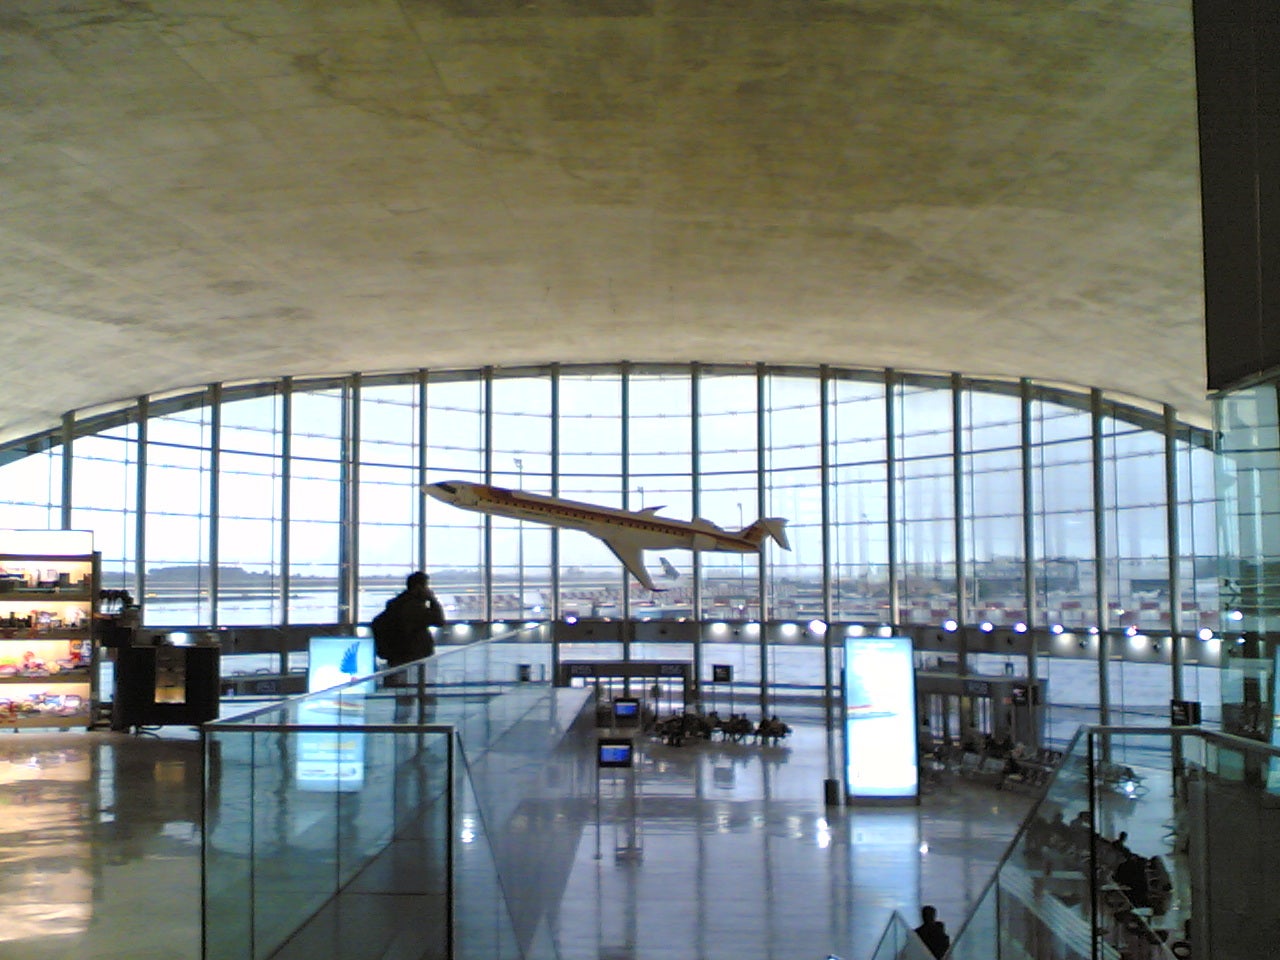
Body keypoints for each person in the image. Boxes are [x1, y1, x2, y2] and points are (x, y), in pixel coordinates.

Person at [373, 571, 446, 668]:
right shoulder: (414, 607)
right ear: (419, 588)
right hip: (413, 657)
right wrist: (432, 600)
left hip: (397, 656)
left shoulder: (397, 604)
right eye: (426, 587)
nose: (428, 590)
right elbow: (439, 621)